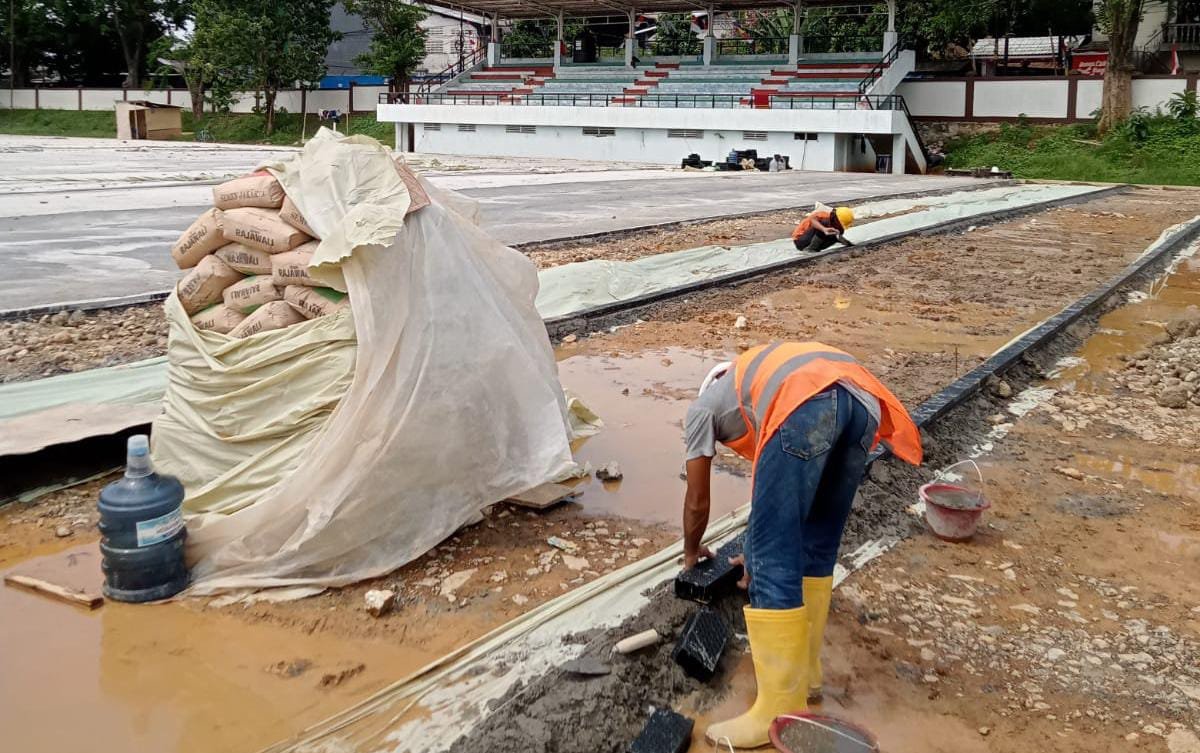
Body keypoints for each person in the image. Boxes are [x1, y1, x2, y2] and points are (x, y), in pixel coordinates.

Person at [681, 341, 922, 748]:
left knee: (776, 555)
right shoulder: (757, 374)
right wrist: (752, 553)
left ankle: (778, 710)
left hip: (807, 401)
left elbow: (697, 499)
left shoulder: (702, 409)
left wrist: (692, 551)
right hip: (861, 401)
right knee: (817, 543)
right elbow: (791, 495)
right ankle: (806, 676)